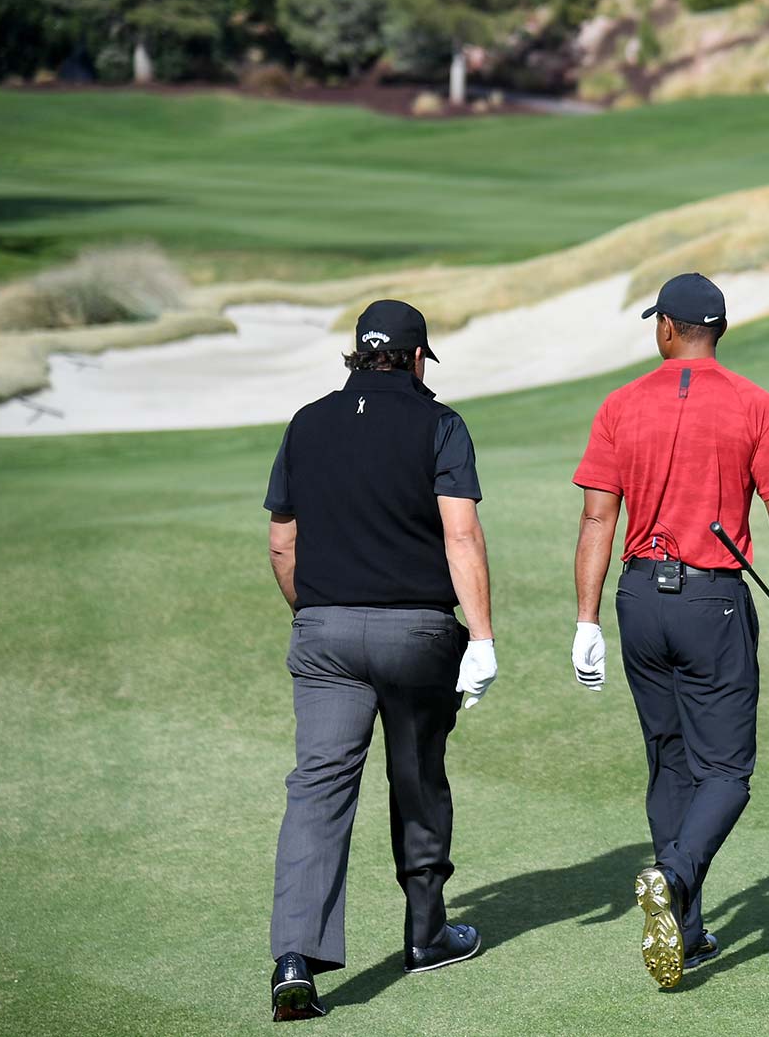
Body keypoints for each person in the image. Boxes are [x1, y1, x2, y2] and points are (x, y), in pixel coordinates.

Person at [569, 272, 769, 988]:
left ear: (669, 329)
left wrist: (586, 620)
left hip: (637, 599)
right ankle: (674, 878)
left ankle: (684, 930)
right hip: (711, 604)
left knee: (670, 761)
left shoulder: (620, 404)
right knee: (727, 773)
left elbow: (598, 518)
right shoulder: (756, 405)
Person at [262, 299, 498, 1022]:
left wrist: (317, 613)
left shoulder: (307, 423)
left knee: (318, 790)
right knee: (417, 775)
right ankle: (426, 936)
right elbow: (460, 538)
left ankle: (295, 958)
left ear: (357, 356)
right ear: (418, 357)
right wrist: (483, 638)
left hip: (325, 632)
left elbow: (282, 543)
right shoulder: (440, 424)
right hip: (417, 635)